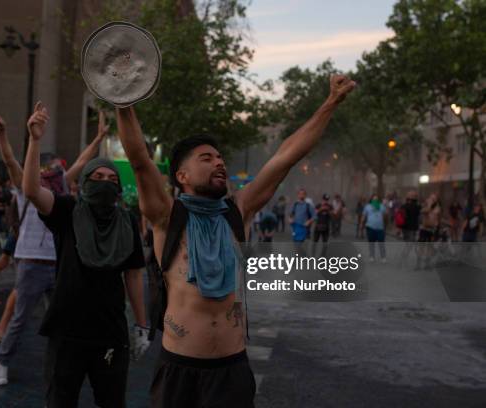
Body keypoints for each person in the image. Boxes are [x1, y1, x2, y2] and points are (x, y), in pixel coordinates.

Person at [114, 74, 355, 407]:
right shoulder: (167, 217)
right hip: (179, 370)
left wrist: (330, 104)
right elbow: (139, 159)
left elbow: (285, 158)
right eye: (206, 158)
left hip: (231, 371)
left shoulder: (236, 211)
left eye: (220, 158)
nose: (220, 162)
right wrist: (123, 101)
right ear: (181, 176)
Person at [21, 102, 149, 407]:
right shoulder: (67, 211)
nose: (105, 182)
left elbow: (133, 274)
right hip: (67, 329)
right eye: (97, 177)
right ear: (84, 183)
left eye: (112, 179)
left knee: (111, 400)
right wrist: (35, 140)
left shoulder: (127, 221)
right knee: (61, 400)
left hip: (110, 330)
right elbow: (31, 191)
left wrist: (142, 325)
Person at [0, 108, 115, 388]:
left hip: (58, 264)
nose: (57, 173)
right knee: (20, 319)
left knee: (63, 320)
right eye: (52, 169)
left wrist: (99, 138)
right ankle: (2, 361)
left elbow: (83, 161)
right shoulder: (27, 188)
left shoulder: (60, 193)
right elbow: (10, 161)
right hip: (31, 263)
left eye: (59, 170)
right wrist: (2, 134)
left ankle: (60, 367)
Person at [416, 193, 441, 269]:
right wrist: (429, 205)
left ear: (436, 200)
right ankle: (418, 264)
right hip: (424, 229)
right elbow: (423, 212)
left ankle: (427, 264)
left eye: (434, 199)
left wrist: (438, 228)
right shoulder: (426, 206)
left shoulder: (438, 208)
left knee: (430, 247)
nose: (432, 200)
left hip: (432, 230)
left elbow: (438, 219)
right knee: (421, 247)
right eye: (431, 198)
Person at [360, 194, 387, 263]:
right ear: (371, 199)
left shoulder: (381, 206)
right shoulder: (367, 206)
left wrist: (386, 205)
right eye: (374, 199)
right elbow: (364, 215)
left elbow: (386, 215)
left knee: (381, 243)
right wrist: (361, 224)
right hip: (370, 227)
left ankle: (383, 257)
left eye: (376, 199)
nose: (375, 200)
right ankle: (372, 256)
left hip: (380, 228)